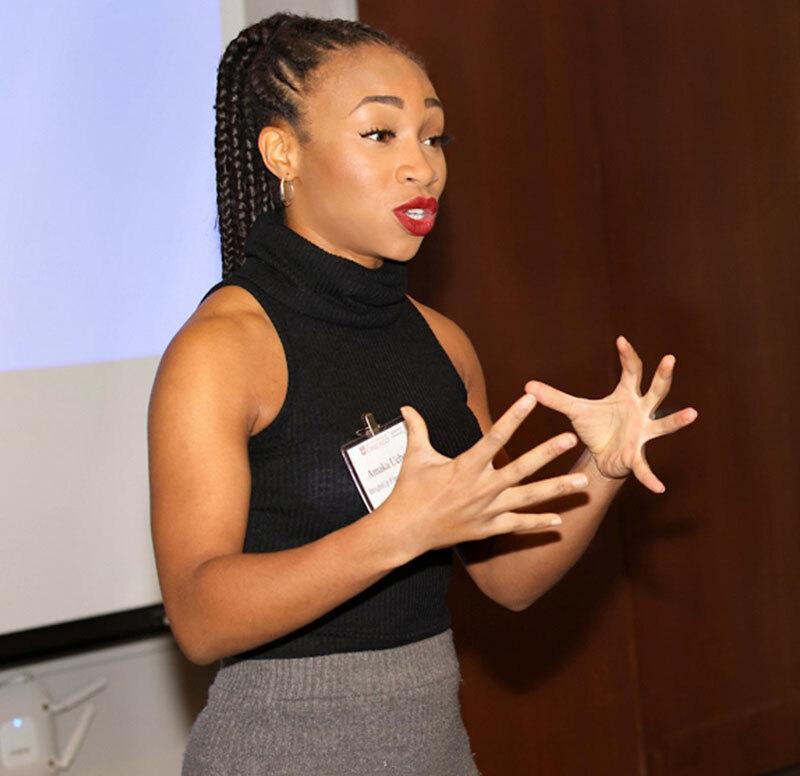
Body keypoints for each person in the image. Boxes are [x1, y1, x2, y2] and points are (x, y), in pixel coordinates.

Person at [148, 14, 697, 775]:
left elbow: (507, 582)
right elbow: (201, 618)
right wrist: (399, 533)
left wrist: (599, 473)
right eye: (381, 135)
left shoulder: (440, 341)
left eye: (432, 137)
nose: (423, 167)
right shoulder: (221, 350)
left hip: (433, 748)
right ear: (284, 152)